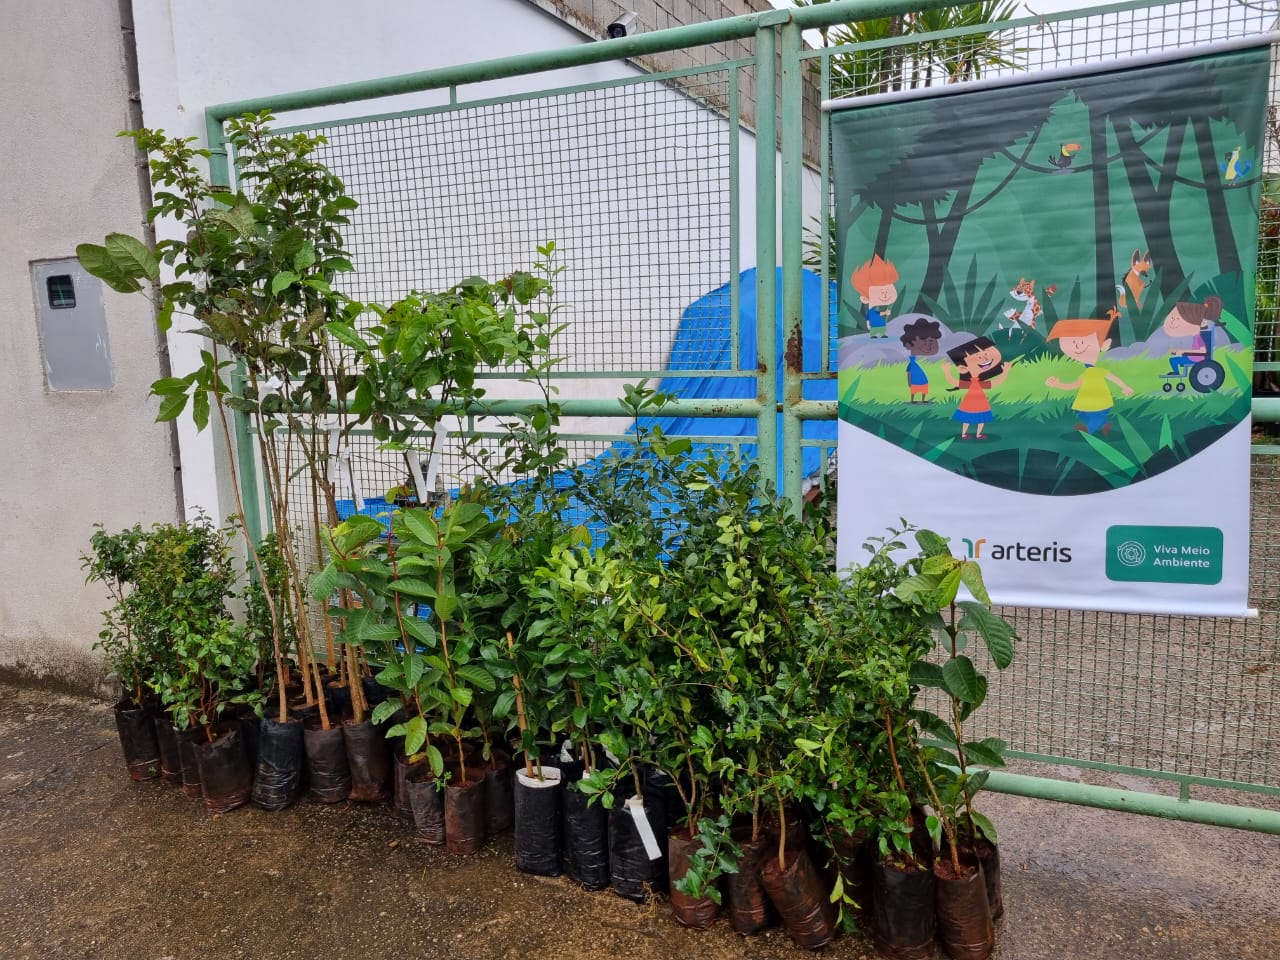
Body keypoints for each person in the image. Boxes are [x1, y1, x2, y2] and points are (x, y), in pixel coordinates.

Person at [1044, 318, 1134, 436]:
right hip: (1088, 401)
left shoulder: (1098, 371)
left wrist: (1125, 387)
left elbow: (1113, 378)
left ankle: (1088, 432)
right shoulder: (1086, 373)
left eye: (1081, 343)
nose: (1077, 347)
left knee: (1093, 415)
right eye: (1073, 343)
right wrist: (1058, 384)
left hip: (1100, 401)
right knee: (1081, 413)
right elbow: (1073, 386)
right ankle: (1103, 425)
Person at [942, 336, 1009, 439]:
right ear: (963, 368)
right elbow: (955, 382)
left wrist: (1005, 372)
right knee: (967, 420)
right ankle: (964, 434)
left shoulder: (980, 383)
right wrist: (947, 372)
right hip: (969, 405)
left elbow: (995, 382)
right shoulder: (970, 383)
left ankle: (978, 434)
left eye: (986, 354)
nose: (985, 358)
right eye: (978, 357)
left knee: (981, 420)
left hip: (981, 405)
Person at [1163, 295, 1224, 377]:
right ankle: (1177, 372)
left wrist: (1183, 352)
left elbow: (1203, 351)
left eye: (1179, 320)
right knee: (1174, 359)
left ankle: (1177, 373)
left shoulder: (1200, 338)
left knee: (1174, 360)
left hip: (1195, 359)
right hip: (1192, 357)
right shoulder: (1196, 336)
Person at [851, 254, 899, 339]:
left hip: (880, 324)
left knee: (881, 330)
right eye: (881, 292)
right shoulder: (872, 310)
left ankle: (881, 334)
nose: (885, 295)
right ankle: (874, 335)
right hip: (875, 325)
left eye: (887, 291)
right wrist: (868, 324)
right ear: (864, 299)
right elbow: (870, 317)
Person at [900, 317, 941, 402]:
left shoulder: (937, 361)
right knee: (915, 390)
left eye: (931, 341)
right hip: (915, 382)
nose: (928, 345)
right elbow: (908, 373)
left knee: (923, 389)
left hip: (924, 382)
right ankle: (913, 400)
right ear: (909, 345)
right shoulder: (911, 361)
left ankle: (922, 399)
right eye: (923, 340)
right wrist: (909, 382)